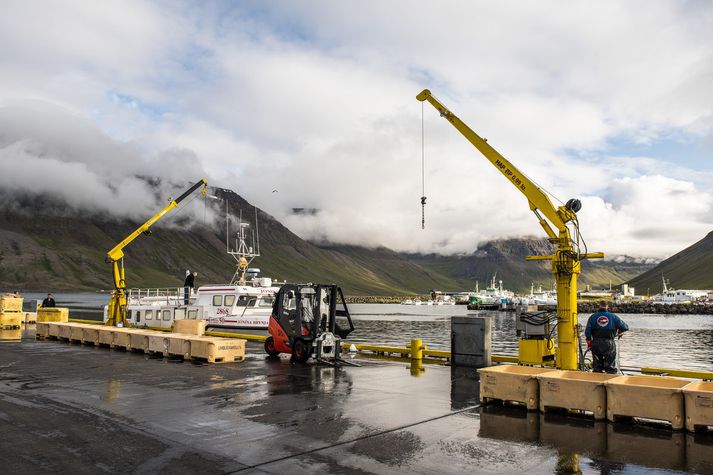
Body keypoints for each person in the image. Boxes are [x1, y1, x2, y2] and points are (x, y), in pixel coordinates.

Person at [585, 302, 629, 374]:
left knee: (597, 367)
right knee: (610, 367)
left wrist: (589, 343)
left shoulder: (593, 317)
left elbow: (588, 332)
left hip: (596, 344)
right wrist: (619, 331)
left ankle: (596, 382)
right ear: (607, 306)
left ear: (598, 306)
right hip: (609, 343)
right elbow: (625, 327)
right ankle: (610, 382)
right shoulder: (613, 317)